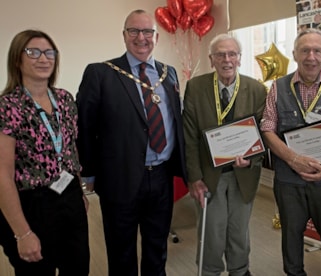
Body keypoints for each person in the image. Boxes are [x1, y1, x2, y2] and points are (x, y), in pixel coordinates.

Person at [76, 9, 187, 276]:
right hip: (119, 178)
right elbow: (85, 127)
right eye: (134, 31)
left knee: (157, 249)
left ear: (156, 37)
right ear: (124, 36)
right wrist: (88, 173)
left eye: (147, 31)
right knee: (121, 251)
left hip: (161, 178)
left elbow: (176, 121)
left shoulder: (168, 73)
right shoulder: (101, 73)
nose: (141, 37)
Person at [260, 28, 321, 276]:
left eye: (317, 50)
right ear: (294, 54)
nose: (311, 56)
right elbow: (268, 128)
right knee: (291, 239)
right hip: (289, 181)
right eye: (304, 50)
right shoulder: (277, 87)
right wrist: (293, 158)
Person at [0, 30, 89, 275]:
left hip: (69, 197)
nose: (43, 58)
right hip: (31, 204)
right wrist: (23, 232)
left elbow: (70, 150)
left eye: (49, 52)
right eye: (33, 52)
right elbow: (2, 174)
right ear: (17, 59)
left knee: (79, 268)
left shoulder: (65, 99)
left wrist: (79, 191)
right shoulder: (8, 106)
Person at [183, 34, 267, 276]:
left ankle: (240, 271)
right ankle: (209, 271)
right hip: (208, 175)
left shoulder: (256, 89)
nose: (226, 59)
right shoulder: (196, 87)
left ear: (240, 58)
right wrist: (194, 177)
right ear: (211, 60)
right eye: (220, 54)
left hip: (244, 173)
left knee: (239, 231)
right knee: (212, 231)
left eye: (232, 54)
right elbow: (189, 135)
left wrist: (252, 158)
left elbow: (264, 132)